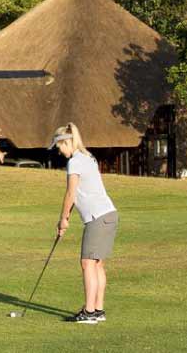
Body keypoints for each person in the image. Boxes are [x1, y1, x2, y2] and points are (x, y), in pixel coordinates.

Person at [51, 123, 118, 324]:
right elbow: (78, 194)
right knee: (97, 263)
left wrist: (63, 219)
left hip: (98, 218)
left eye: (59, 147)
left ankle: (89, 312)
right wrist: (67, 217)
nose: (59, 151)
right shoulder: (88, 158)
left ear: (66, 142)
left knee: (87, 263)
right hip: (109, 214)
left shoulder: (75, 162)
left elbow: (71, 193)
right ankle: (98, 310)